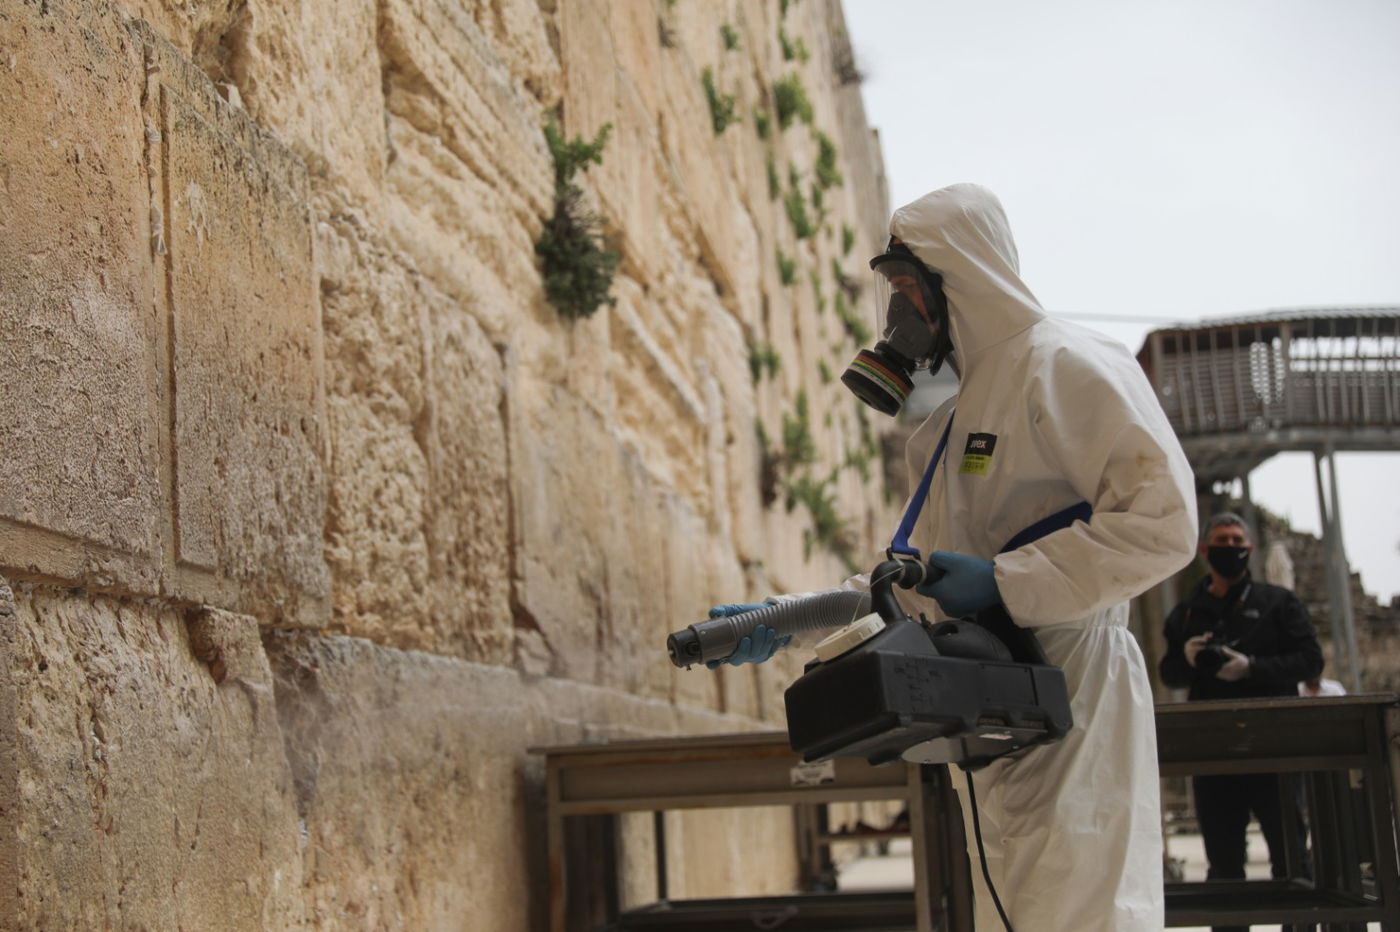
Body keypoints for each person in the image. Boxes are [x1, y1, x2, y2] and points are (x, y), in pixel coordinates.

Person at [707, 183, 1198, 930]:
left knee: (1086, 907)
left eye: (909, 288)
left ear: (958, 278)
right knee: (1013, 908)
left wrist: (1007, 580)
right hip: (990, 704)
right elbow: (908, 584)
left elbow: (1163, 525)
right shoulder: (942, 432)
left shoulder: (1066, 365)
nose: (898, 313)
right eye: (892, 291)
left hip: (1074, 684)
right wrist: (786, 619)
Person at [1160, 512, 1324, 930]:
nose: (1230, 547)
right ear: (1204, 550)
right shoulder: (1186, 614)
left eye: (1237, 540)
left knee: (1292, 860)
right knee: (1224, 862)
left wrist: (1252, 667)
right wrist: (1190, 659)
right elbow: (1169, 674)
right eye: (1221, 539)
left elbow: (1310, 660)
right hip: (1214, 752)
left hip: (1276, 747)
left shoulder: (1279, 604)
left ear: (1249, 549)